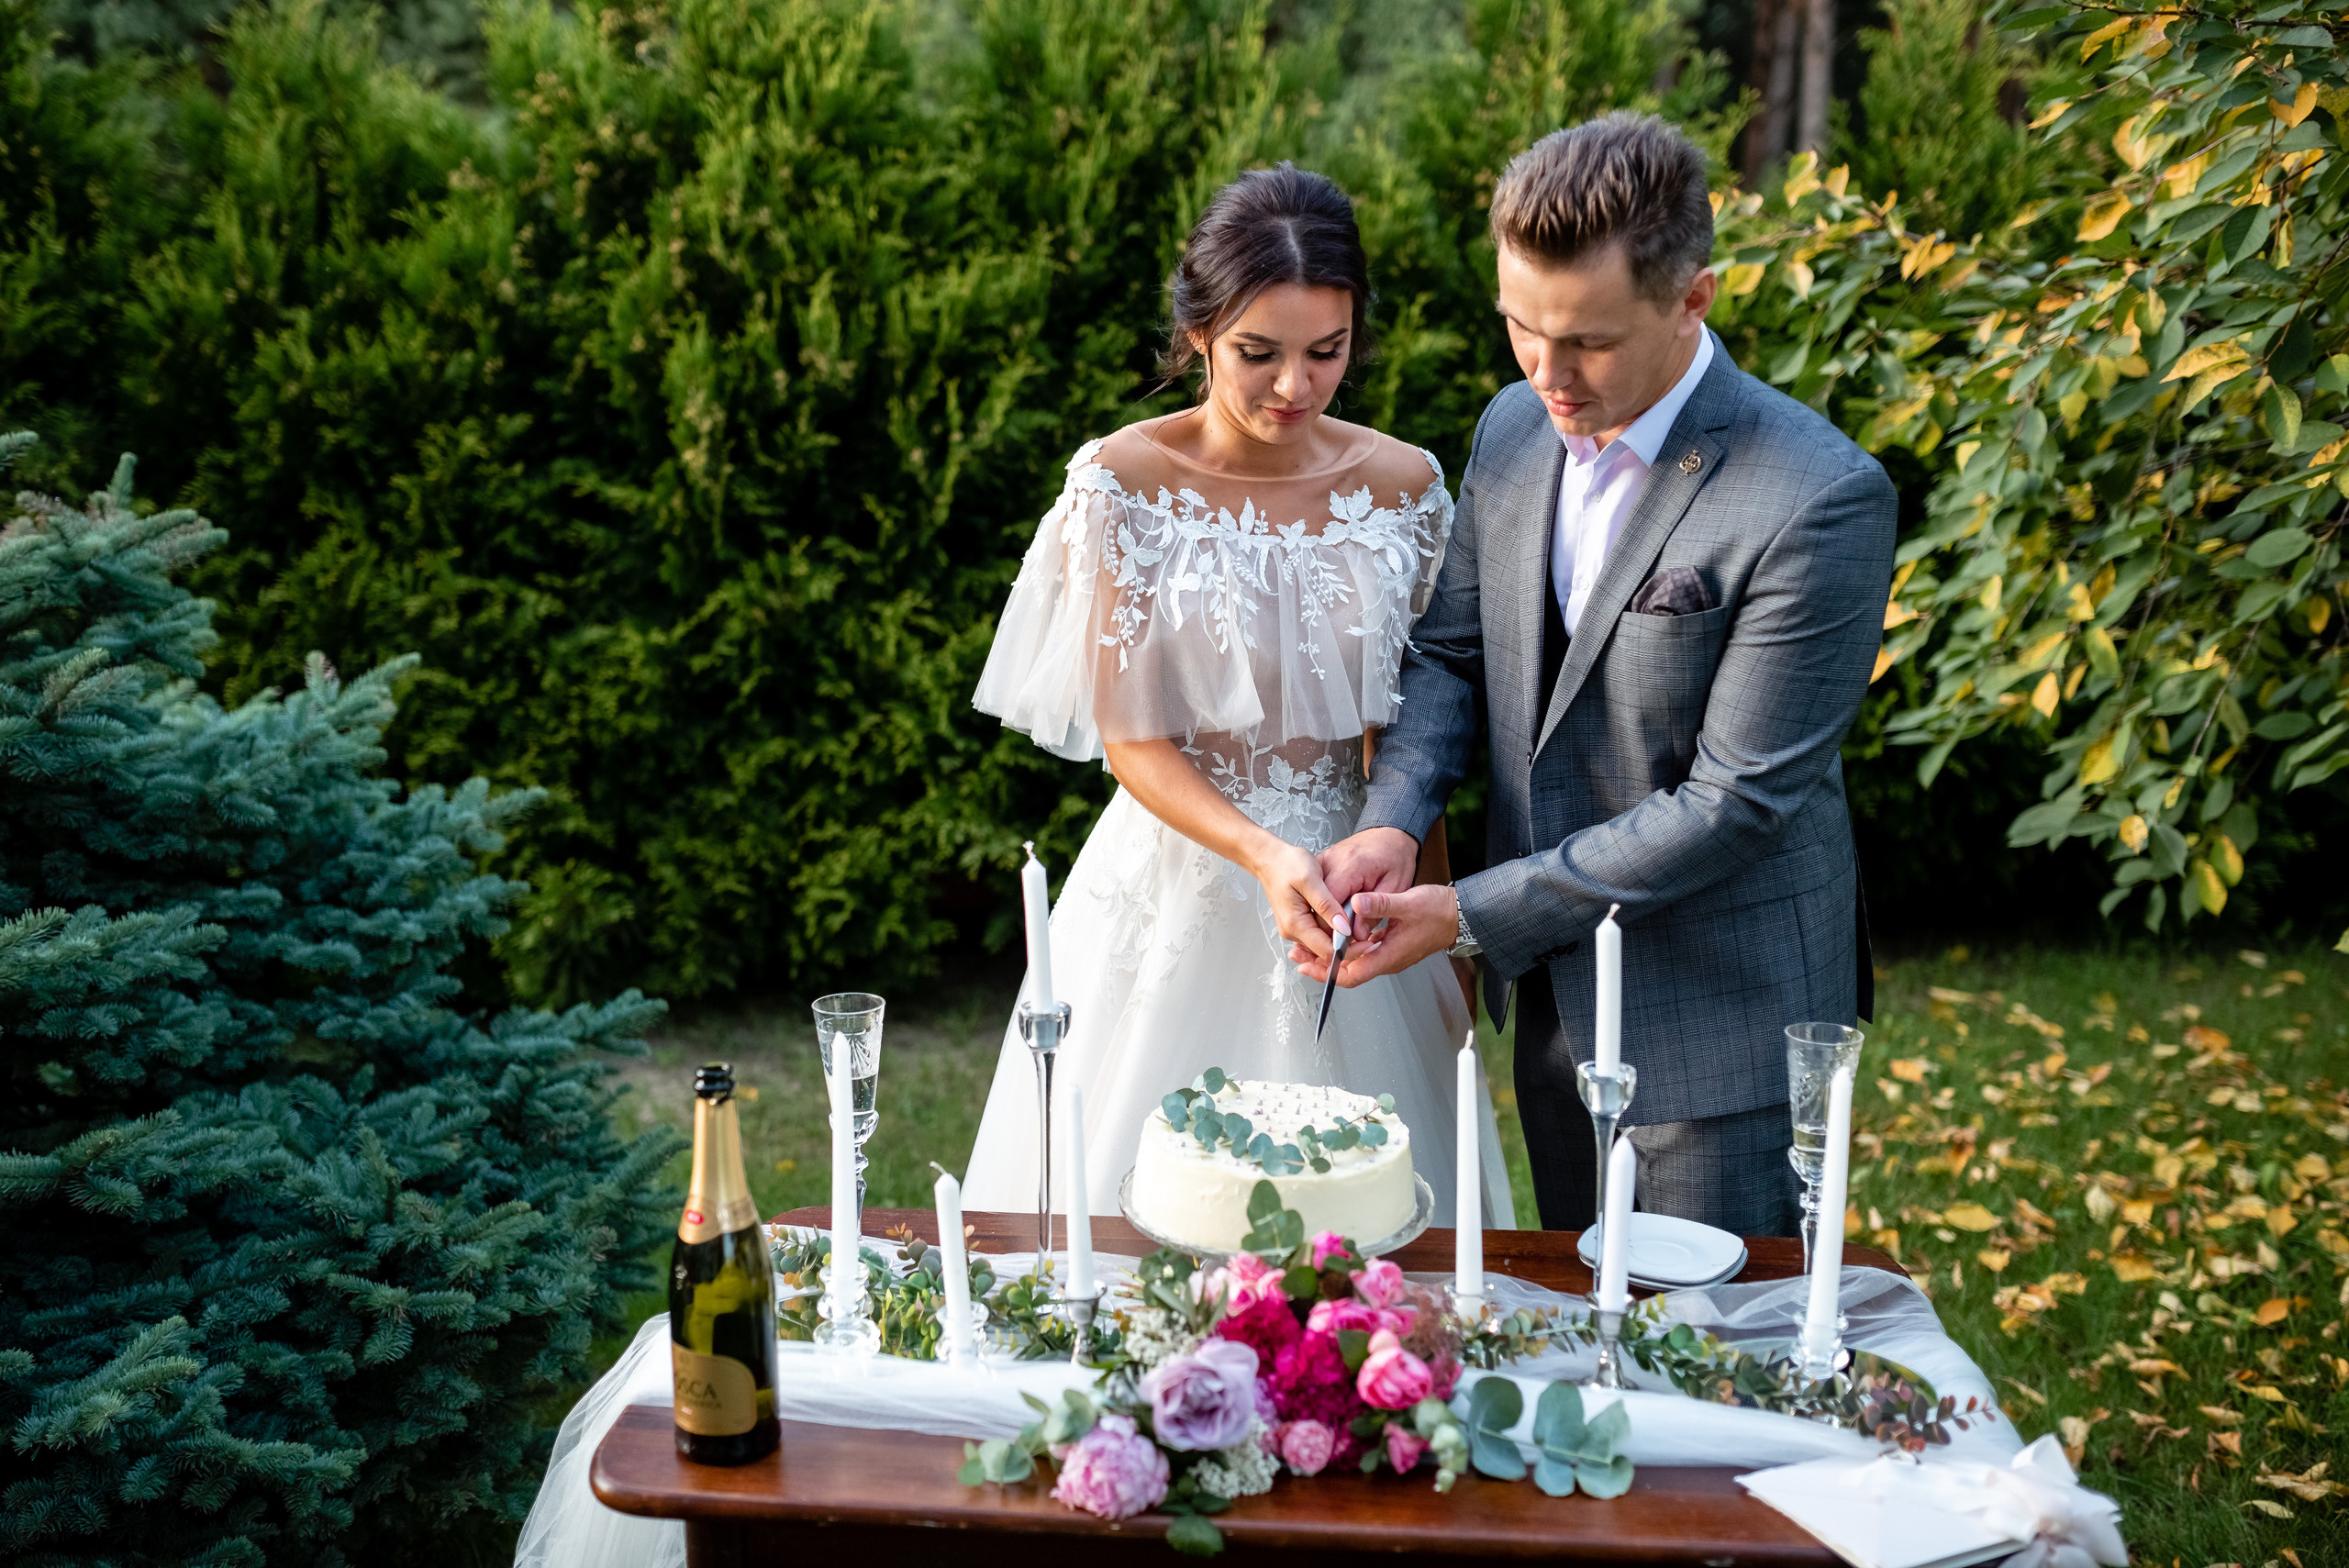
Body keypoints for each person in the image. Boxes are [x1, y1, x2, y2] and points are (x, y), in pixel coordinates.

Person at [1296, 113, 1896, 1238]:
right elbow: (1451, 652)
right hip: (1562, 1010)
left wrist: (1465, 914)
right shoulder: (1511, 429)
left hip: (1727, 1023)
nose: (1548, 373)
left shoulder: (1819, 497)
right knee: (1590, 1342)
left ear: (1692, 300)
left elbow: (1734, 803)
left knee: (1712, 1375)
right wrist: (1392, 817)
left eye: (1589, 342)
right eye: (1521, 326)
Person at [960, 162, 1515, 1232]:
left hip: (1357, 899)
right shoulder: (1121, 483)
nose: (1293, 388)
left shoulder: (1405, 487)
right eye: (1259, 353)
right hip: (1177, 879)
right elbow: (1133, 741)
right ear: (1201, 330)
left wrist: (1444, 946)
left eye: (1326, 353)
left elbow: (1414, 737)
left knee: (1373, 1225)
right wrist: (1264, 855)